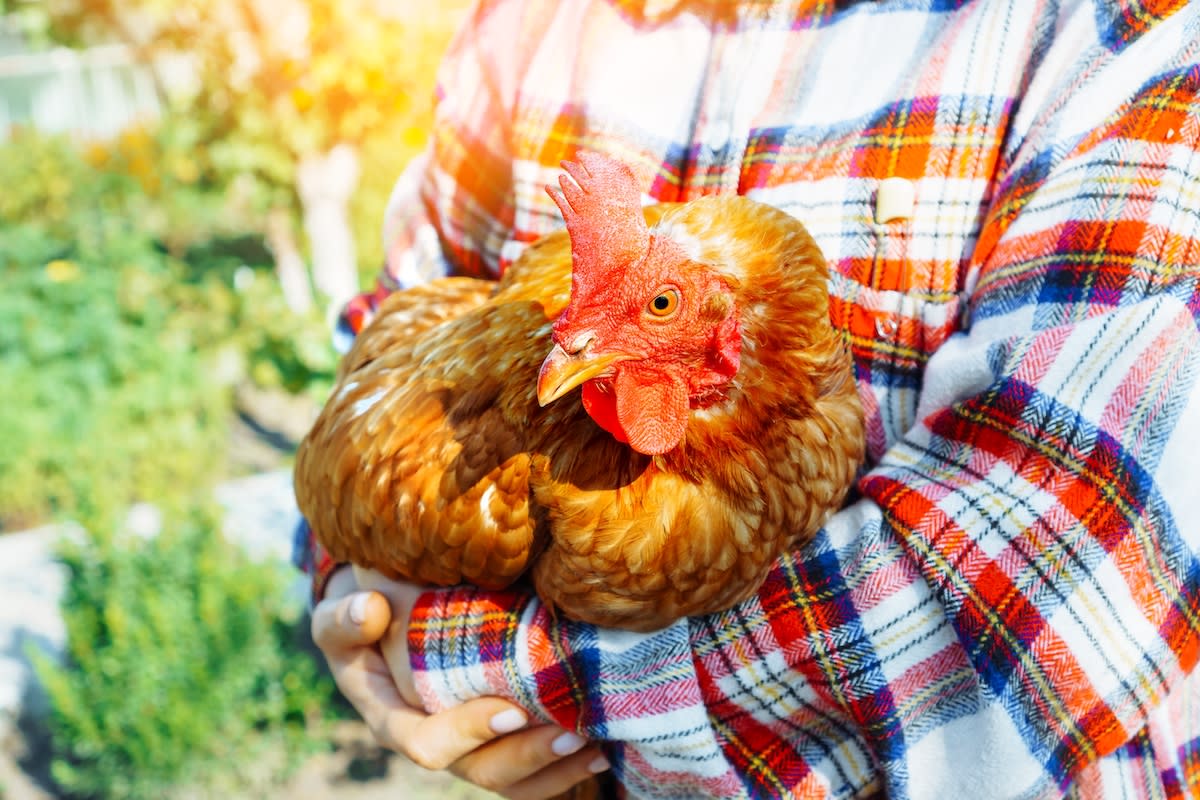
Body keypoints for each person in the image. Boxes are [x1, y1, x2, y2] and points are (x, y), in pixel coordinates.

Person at [296, 1, 1200, 797]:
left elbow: (1041, 586)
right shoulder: (528, 24)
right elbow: (388, 334)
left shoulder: (1113, 29)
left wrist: (440, 654)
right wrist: (350, 596)